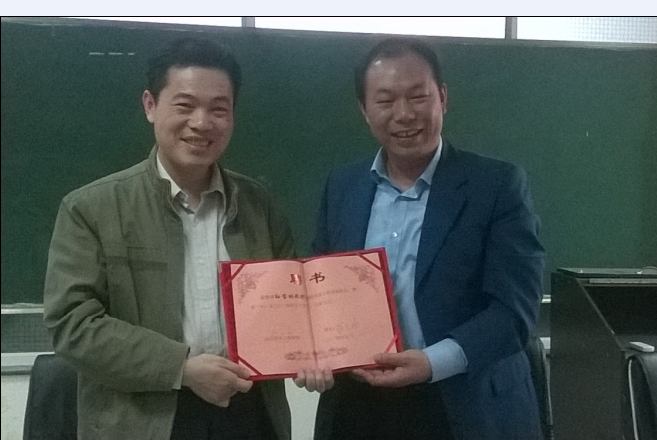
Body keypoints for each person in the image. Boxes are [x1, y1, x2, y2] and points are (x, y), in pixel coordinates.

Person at [43, 37, 295, 440]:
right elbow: (74, 324)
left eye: (218, 109)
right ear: (150, 105)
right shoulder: (90, 209)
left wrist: (314, 354)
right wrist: (182, 368)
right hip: (144, 419)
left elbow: (292, 305)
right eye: (185, 105)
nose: (202, 122)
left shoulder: (258, 205)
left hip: (249, 411)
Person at [306, 37, 546, 440]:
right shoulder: (342, 187)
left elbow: (514, 312)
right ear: (364, 110)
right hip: (358, 406)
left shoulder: (497, 186)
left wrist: (432, 362)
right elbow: (320, 290)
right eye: (385, 101)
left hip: (463, 405)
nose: (404, 114)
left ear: (443, 98)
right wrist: (311, 350)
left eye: (418, 96)